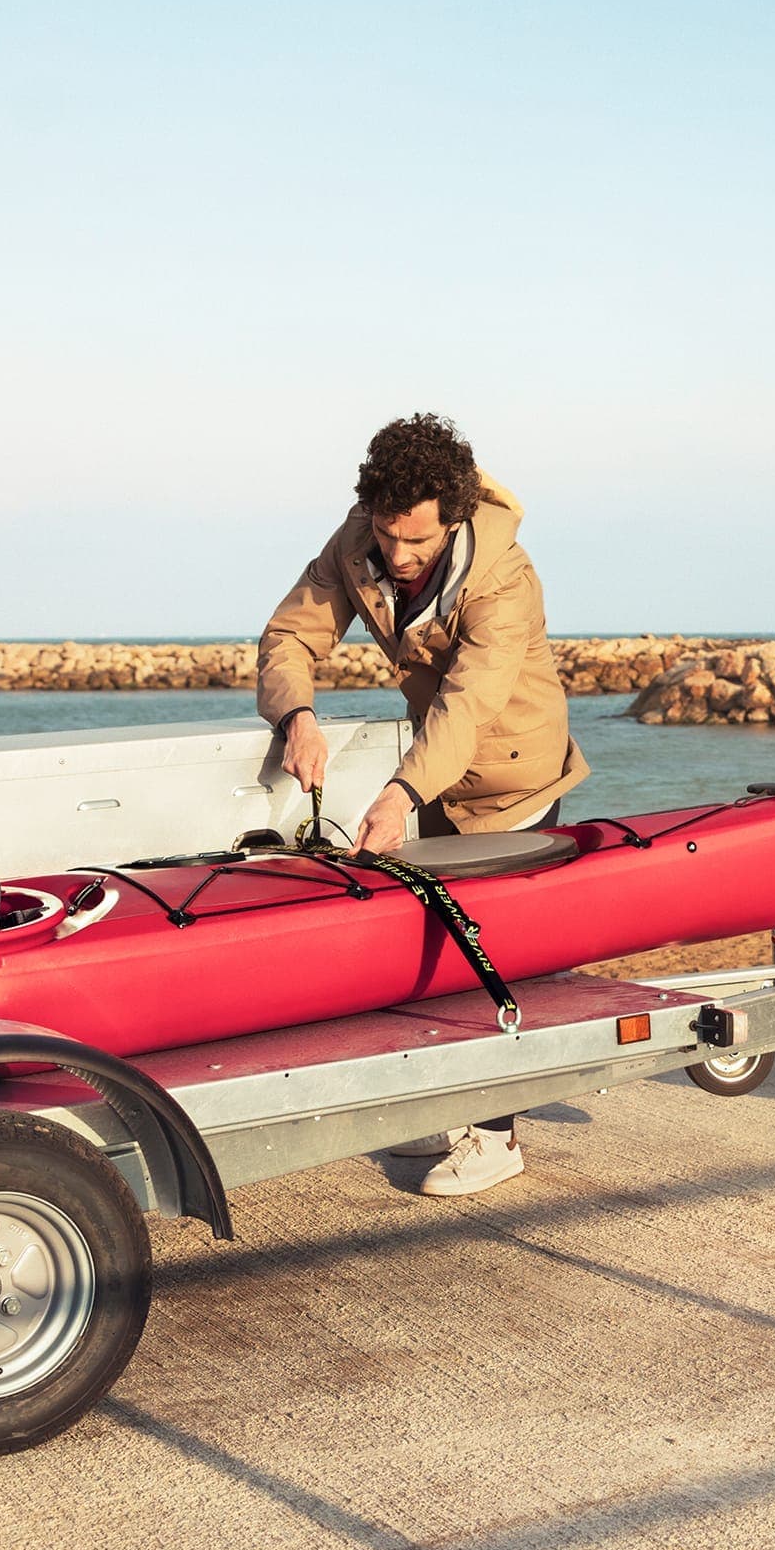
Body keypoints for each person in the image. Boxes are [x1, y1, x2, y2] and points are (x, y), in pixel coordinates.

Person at [257, 412, 586, 1196]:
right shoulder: (356, 545)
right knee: (430, 946)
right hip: (430, 769)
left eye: (418, 542)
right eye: (387, 535)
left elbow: (470, 708)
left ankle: (496, 1134)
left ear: (456, 519)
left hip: (512, 772)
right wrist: (296, 715)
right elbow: (289, 637)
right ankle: (452, 1103)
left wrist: (400, 791)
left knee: (486, 952)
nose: (399, 558)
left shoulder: (504, 577)